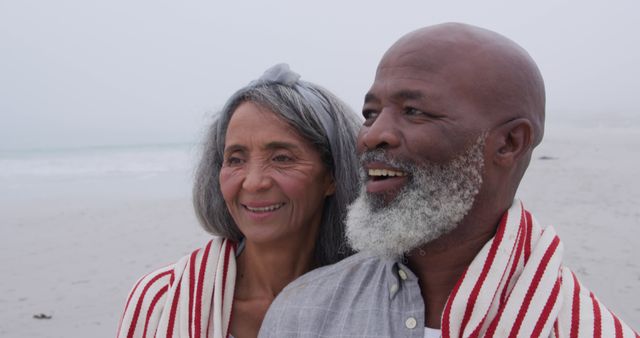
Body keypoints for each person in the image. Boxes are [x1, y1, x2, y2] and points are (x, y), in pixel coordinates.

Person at [259, 23, 638, 337]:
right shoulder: (304, 311)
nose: (372, 135)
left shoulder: (582, 327)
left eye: (414, 111)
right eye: (371, 113)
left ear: (508, 143)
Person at [117, 63, 362, 338]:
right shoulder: (161, 299)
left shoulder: (374, 300)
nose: (254, 182)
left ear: (332, 176)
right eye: (235, 159)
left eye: (282, 158)